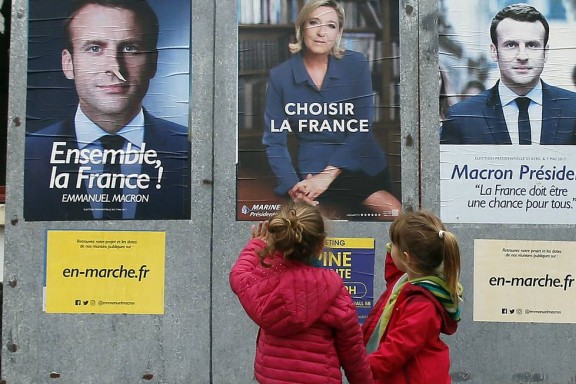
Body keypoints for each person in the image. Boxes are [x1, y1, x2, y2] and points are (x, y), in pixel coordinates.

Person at [24, 0, 190, 221]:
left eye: (130, 48)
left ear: (153, 63)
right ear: (68, 63)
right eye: (95, 48)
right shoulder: (29, 154)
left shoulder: (189, 151)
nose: (114, 67)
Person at [262, 0, 401, 219]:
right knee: (318, 227)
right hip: (314, 167)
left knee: (395, 213)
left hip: (360, 162)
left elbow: (362, 127)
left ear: (339, 33)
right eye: (314, 23)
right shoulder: (280, 76)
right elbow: (274, 142)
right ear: (301, 28)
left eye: (331, 25)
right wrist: (293, 187)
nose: (321, 33)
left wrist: (326, 177)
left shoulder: (356, 64)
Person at [229, 203, 373, 384]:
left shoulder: (264, 279)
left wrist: (256, 245)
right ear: (321, 244)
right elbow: (354, 355)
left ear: (278, 241)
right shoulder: (333, 289)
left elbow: (239, 275)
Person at [440, 3, 576, 145]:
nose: (522, 56)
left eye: (532, 45)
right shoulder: (461, 117)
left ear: (546, 52)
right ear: (494, 52)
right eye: (511, 45)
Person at [361, 210, 462, 383]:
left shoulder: (423, 304)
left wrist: (362, 368)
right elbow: (394, 271)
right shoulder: (406, 282)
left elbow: (398, 348)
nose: (389, 246)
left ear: (407, 258)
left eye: (393, 244)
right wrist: (398, 244)